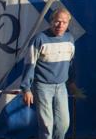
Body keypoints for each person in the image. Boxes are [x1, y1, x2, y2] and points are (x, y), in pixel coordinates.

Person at [20, 8, 82, 139]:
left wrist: (71, 83)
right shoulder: (39, 39)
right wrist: (26, 89)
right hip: (42, 87)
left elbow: (70, 64)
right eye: (57, 21)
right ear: (51, 21)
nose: (60, 25)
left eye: (64, 22)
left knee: (63, 124)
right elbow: (29, 64)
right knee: (46, 126)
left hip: (61, 87)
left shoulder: (70, 39)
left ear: (68, 24)